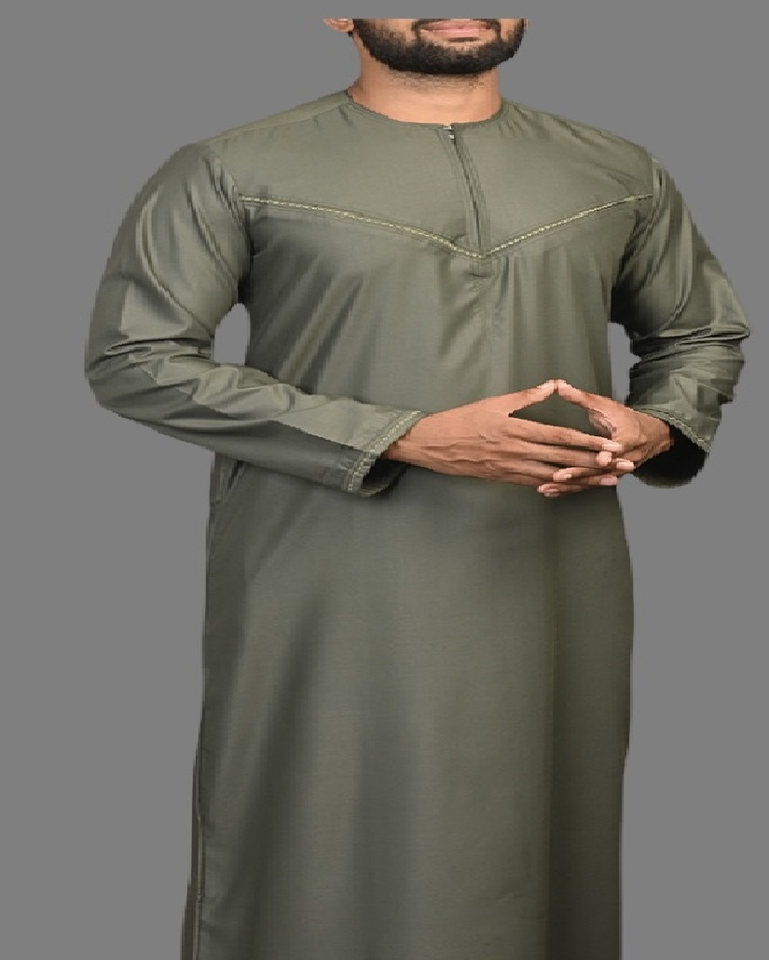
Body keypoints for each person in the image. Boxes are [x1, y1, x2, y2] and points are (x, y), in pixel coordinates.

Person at [85, 18, 749, 960]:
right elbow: (137, 358)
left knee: (541, 834)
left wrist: (656, 424)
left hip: (554, 571)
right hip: (327, 567)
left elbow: (697, 334)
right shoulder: (231, 167)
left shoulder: (616, 171)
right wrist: (400, 436)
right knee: (318, 831)